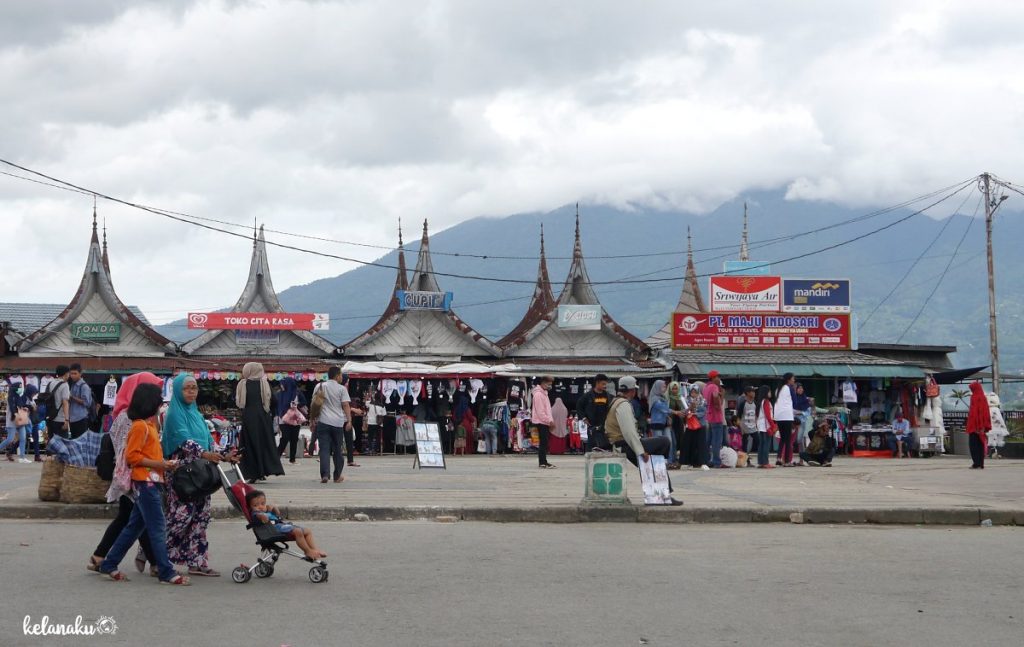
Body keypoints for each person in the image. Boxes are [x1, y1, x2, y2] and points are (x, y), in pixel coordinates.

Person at [97, 382, 190, 585]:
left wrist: (162, 465)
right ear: (150, 402)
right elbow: (133, 457)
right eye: (158, 399)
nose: (160, 402)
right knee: (157, 527)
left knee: (133, 528)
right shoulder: (140, 427)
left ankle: (109, 564)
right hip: (146, 482)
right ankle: (166, 571)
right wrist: (161, 464)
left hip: (150, 481)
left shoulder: (147, 425)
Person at [88, 372, 162, 576]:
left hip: (132, 475)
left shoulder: (128, 415)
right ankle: (104, 558)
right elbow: (130, 452)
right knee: (134, 519)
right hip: (134, 475)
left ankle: (102, 557)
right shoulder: (131, 419)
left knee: (135, 519)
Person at [165, 373, 236, 577]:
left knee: (201, 517)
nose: (191, 392)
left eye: (194, 388)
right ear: (178, 390)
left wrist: (224, 455)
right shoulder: (174, 414)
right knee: (181, 517)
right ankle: (156, 553)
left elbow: (207, 440)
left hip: (201, 474)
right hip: (183, 475)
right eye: (186, 388)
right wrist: (205, 453)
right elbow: (184, 440)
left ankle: (197, 561)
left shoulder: (196, 413)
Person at [605, 376, 683, 506]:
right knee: (663, 442)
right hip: (625, 445)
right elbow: (629, 432)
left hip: (621, 443)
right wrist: (640, 451)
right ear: (632, 391)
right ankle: (661, 494)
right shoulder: (623, 405)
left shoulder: (615, 401)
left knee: (656, 453)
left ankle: (658, 495)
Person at [236, 362, 285, 482]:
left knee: (249, 445)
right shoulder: (265, 384)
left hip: (248, 417)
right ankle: (263, 471)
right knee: (263, 444)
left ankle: (253, 473)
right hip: (263, 418)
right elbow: (274, 400)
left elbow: (238, 401)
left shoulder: (243, 384)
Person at [246, 490, 326, 559]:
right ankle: (307, 551)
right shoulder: (256, 513)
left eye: (262, 504)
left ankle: (314, 550)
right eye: (256, 505)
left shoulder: (266, 510)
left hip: (281, 526)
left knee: (307, 531)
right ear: (250, 507)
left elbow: (278, 514)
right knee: (298, 531)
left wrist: (273, 508)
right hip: (272, 531)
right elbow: (259, 516)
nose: (260, 507)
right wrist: (262, 516)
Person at [315, 366, 351, 483]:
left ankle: (325, 475)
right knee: (337, 449)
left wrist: (311, 421)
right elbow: (345, 405)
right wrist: (349, 420)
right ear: (337, 376)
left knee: (324, 449)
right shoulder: (342, 389)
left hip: (323, 421)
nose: (341, 377)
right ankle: (337, 476)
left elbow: (314, 405)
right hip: (337, 423)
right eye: (341, 375)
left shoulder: (319, 386)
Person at [275, 377, 306, 464]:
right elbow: (276, 406)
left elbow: (304, 402)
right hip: (283, 419)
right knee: (285, 437)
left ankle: (292, 459)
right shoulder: (279, 394)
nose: (281, 385)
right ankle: (277, 457)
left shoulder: (297, 393)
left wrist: (296, 405)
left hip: (295, 419)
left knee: (294, 438)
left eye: (283, 383)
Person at [577, 374, 611, 451]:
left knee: (604, 446)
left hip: (604, 426)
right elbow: (579, 406)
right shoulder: (587, 396)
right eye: (603, 384)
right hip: (592, 426)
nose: (605, 386)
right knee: (591, 446)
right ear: (597, 383)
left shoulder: (607, 396)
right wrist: (583, 418)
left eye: (606, 384)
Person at [2, 383, 34, 462]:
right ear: (15, 388)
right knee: (10, 439)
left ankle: (22, 457)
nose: (21, 389)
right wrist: (16, 414)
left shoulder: (18, 397)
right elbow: (12, 407)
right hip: (12, 420)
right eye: (19, 387)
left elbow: (21, 406)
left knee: (23, 438)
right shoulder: (11, 397)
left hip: (20, 420)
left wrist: (25, 408)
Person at [647, 380, 675, 469]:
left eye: (665, 386)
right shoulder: (654, 398)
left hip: (665, 423)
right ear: (658, 387)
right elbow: (663, 408)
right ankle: (659, 462)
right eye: (663, 386)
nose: (664, 388)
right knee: (659, 443)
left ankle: (669, 461)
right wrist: (676, 412)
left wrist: (669, 417)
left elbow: (665, 410)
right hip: (657, 423)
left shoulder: (663, 397)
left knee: (669, 441)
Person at [703, 371, 726, 468]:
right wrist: (719, 403)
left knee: (709, 440)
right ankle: (717, 461)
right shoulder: (714, 387)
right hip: (716, 417)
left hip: (708, 416)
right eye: (717, 377)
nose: (719, 378)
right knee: (717, 441)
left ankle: (708, 459)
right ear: (713, 378)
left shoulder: (706, 387)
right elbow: (715, 397)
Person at [530, 376, 555, 468]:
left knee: (545, 442)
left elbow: (547, 410)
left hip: (544, 422)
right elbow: (541, 412)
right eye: (549, 384)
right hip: (541, 422)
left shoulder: (544, 393)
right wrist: (549, 421)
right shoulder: (538, 395)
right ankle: (542, 462)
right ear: (543, 383)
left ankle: (544, 461)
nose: (550, 386)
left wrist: (550, 420)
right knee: (543, 443)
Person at [681, 384, 708, 469]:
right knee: (688, 443)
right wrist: (690, 408)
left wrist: (694, 414)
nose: (693, 394)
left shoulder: (703, 400)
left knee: (700, 444)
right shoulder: (686, 400)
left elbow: (703, 412)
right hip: (690, 425)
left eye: (695, 392)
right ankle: (687, 462)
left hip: (700, 424)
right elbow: (684, 412)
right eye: (692, 392)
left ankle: (702, 462)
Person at [966, 381, 990, 469]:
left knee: (973, 445)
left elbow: (976, 413)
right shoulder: (983, 397)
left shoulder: (974, 397)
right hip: (981, 425)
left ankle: (976, 463)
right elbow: (985, 413)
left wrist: (976, 426)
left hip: (974, 425)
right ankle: (981, 463)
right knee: (980, 444)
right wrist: (983, 426)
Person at [774, 373, 796, 466]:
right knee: (787, 439)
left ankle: (779, 458)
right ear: (788, 380)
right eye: (793, 378)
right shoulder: (789, 388)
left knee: (782, 438)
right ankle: (786, 461)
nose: (794, 380)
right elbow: (795, 401)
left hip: (779, 416)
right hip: (787, 415)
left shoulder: (777, 389)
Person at [66, 363, 94, 439]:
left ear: (80, 374)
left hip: (81, 419)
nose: (72, 376)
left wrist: (72, 397)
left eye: (75, 373)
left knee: (80, 441)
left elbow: (87, 403)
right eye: (71, 373)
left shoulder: (84, 386)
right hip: (72, 419)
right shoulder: (73, 384)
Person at [46, 365, 72, 440]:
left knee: (52, 442)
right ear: (66, 374)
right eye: (69, 373)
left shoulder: (51, 383)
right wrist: (67, 420)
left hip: (50, 418)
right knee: (63, 444)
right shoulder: (65, 385)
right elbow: (65, 403)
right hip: (60, 419)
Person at [666, 381, 688, 467]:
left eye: (676, 389)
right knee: (673, 441)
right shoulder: (667, 398)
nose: (674, 390)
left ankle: (676, 460)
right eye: (673, 389)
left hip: (679, 423)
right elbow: (666, 410)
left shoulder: (681, 398)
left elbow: (685, 409)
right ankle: (672, 459)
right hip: (671, 422)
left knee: (679, 441)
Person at [755, 385, 776, 469]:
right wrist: (773, 425)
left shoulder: (760, 402)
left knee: (762, 445)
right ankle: (765, 462)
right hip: (766, 425)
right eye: (769, 391)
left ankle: (761, 462)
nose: (771, 393)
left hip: (761, 425)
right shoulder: (766, 402)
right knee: (766, 444)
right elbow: (768, 415)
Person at [737, 386, 758, 467]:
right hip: (744, 427)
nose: (754, 393)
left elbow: (756, 415)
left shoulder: (755, 403)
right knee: (744, 445)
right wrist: (741, 428)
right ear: (748, 393)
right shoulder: (743, 403)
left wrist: (756, 424)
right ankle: (746, 462)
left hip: (753, 427)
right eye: (752, 391)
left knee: (758, 441)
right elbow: (738, 416)